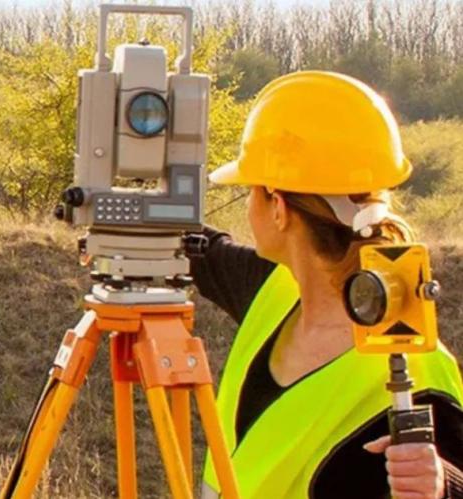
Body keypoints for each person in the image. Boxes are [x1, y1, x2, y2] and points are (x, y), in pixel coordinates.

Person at [195, 71, 463, 499]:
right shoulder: (275, 290)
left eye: (250, 191)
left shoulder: (418, 367)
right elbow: (203, 251)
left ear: (278, 208)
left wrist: (444, 485)